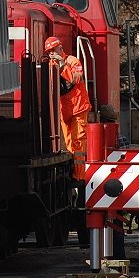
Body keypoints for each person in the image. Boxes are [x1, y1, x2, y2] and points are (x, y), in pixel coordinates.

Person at [44, 36, 92, 178]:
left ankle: (79, 176)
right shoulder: (51, 66)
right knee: (70, 144)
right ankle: (73, 173)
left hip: (78, 108)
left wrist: (63, 66)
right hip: (64, 111)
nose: (52, 53)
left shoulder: (72, 61)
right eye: (49, 51)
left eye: (53, 50)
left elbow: (76, 79)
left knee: (78, 143)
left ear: (60, 48)